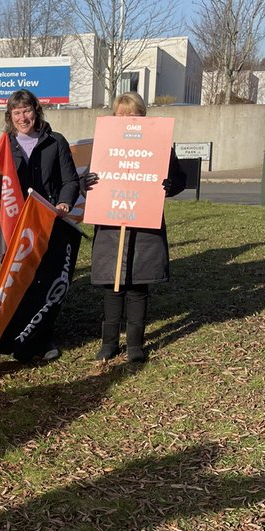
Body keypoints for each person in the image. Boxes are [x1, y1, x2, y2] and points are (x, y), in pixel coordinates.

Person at [90, 91, 185, 363]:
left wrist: (171, 184)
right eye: (122, 115)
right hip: (111, 223)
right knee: (112, 285)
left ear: (142, 117)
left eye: (134, 115)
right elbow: (91, 176)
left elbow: (179, 178)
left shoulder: (161, 145)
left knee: (138, 285)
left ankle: (134, 344)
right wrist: (90, 182)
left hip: (144, 224)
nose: (128, 120)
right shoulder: (105, 144)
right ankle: (109, 343)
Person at [3, 88, 81, 361]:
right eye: (17, 112)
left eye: (27, 110)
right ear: (9, 116)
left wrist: (64, 203)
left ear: (36, 111)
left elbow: (70, 181)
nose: (22, 117)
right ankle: (14, 335)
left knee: (45, 282)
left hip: (48, 223)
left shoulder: (55, 141)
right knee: (17, 282)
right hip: (15, 227)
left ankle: (44, 337)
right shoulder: (4, 145)